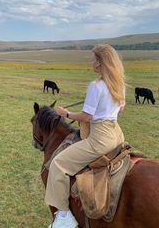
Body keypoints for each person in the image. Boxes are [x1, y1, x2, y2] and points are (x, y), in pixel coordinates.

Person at [45, 44, 126, 228]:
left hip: (100, 137)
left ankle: (64, 217)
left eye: (93, 58)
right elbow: (120, 109)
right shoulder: (118, 83)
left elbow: (86, 117)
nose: (91, 62)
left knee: (58, 164)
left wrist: (66, 114)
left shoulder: (96, 86)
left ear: (100, 62)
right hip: (117, 134)